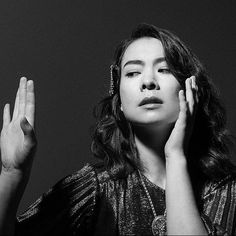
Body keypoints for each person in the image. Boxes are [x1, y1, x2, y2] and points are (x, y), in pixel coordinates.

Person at [0, 23, 236, 236]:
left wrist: (175, 154)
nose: (148, 81)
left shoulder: (224, 188)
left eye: (164, 69)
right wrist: (12, 174)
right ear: (120, 102)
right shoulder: (96, 188)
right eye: (133, 72)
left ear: (190, 88)